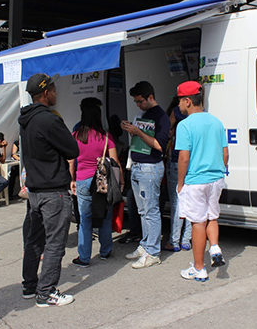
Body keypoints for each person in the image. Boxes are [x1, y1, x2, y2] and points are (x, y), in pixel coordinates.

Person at [19, 73, 79, 307]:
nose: (56, 94)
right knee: (54, 243)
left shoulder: (25, 118)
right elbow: (72, 149)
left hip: (34, 190)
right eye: (54, 90)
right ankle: (46, 293)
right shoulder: (49, 119)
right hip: (53, 190)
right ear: (46, 92)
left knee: (34, 241)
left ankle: (30, 285)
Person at [175, 81, 228, 282]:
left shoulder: (185, 125)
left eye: (180, 100)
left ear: (188, 101)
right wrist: (220, 172)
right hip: (215, 179)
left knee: (198, 223)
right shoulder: (216, 122)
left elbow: (184, 158)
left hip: (195, 181)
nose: (178, 105)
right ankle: (214, 246)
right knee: (212, 217)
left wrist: (181, 182)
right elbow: (225, 153)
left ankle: (199, 268)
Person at [121, 81, 170, 269]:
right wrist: (130, 128)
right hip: (138, 166)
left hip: (150, 167)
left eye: (140, 101)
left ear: (150, 97)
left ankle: (153, 252)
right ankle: (145, 245)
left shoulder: (161, 117)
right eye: (136, 102)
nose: (138, 105)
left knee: (151, 210)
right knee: (142, 211)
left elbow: (159, 145)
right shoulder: (145, 114)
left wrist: (138, 132)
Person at [69, 105, 124, 267]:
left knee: (85, 219)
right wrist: (121, 181)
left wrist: (72, 179)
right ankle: (106, 250)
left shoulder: (76, 136)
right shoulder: (106, 137)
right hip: (102, 181)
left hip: (82, 180)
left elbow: (71, 161)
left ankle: (84, 257)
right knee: (105, 215)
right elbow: (115, 162)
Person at [163, 98, 192, 252]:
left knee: (177, 203)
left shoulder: (175, 112)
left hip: (176, 160)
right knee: (191, 203)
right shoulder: (198, 116)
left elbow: (167, 132)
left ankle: (174, 241)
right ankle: (186, 240)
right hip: (193, 163)